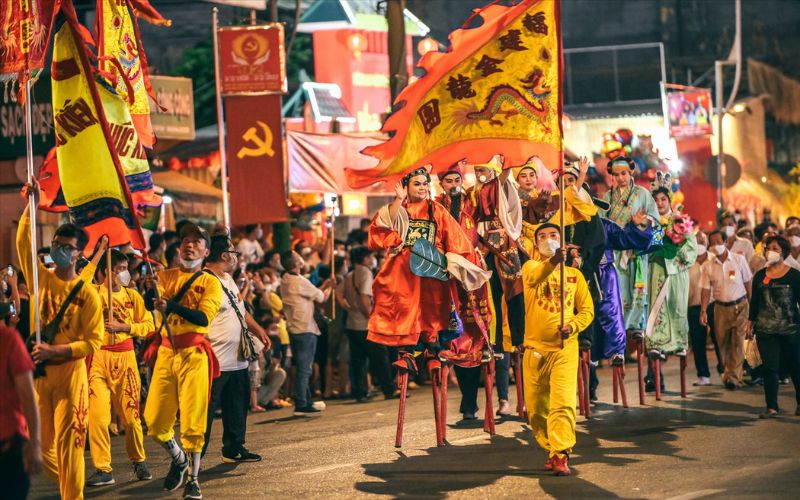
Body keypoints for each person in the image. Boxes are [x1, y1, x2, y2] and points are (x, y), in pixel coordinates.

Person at [17, 186, 104, 500]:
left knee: (70, 447)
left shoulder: (88, 295)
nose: (58, 249)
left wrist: (57, 350)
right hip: (40, 376)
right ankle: (71, 483)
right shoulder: (41, 278)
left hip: (71, 377)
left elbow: (93, 342)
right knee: (38, 441)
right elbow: (23, 242)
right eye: (55, 244)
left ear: (79, 252)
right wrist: (32, 204)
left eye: (66, 246)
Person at [142, 223, 223, 499]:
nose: (189, 245)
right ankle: (178, 459)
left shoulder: (210, 282)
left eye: (196, 242)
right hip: (166, 353)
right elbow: (146, 308)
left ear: (206, 251)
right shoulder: (163, 277)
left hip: (194, 355)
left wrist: (171, 306)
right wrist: (147, 290)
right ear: (178, 248)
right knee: (154, 421)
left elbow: (203, 319)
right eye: (185, 241)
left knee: (193, 419)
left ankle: (193, 479)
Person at [521, 223, 594, 476]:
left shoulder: (575, 276)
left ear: (562, 241)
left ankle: (561, 453)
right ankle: (550, 447)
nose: (547, 239)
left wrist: (573, 326)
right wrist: (553, 261)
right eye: (542, 236)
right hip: (534, 350)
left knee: (562, 403)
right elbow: (535, 276)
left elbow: (587, 311)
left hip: (564, 348)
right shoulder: (530, 267)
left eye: (553, 235)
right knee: (537, 411)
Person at [86, 250, 155, 486]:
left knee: (132, 417)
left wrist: (125, 326)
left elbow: (148, 324)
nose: (125, 273)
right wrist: (97, 255)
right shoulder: (93, 293)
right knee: (98, 419)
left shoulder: (132, 297)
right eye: (119, 269)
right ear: (106, 271)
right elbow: (78, 284)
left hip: (126, 360)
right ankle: (103, 468)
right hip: (97, 359)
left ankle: (139, 460)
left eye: (126, 268)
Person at [202, 235, 269, 462]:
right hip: (215, 358)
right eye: (234, 252)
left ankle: (234, 447)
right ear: (224, 255)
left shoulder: (228, 279)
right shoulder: (203, 280)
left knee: (237, 405)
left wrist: (258, 330)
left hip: (237, 357)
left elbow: (240, 309)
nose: (235, 257)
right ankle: (195, 456)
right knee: (206, 411)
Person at [435, 163, 493, 421]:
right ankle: (467, 400)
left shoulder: (472, 203)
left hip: (472, 278)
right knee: (453, 338)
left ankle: (471, 400)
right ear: (441, 184)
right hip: (445, 278)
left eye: (456, 179)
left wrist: (492, 175)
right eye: (448, 180)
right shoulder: (434, 207)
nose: (453, 183)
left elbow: (493, 198)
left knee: (474, 333)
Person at [601, 156, 660, 338]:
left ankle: (636, 325)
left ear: (631, 172)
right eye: (616, 175)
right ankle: (618, 326)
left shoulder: (642, 194)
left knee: (636, 288)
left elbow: (655, 220)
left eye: (624, 173)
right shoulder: (607, 196)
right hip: (615, 252)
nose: (620, 178)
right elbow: (601, 222)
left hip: (634, 251)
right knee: (616, 289)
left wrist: (640, 223)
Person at [748, 236, 800, 418]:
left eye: (775, 248)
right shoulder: (760, 276)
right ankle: (772, 407)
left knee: (795, 366)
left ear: (783, 252)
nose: (770, 251)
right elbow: (754, 303)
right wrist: (750, 323)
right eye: (767, 247)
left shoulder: (794, 276)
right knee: (770, 368)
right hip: (765, 330)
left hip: (790, 330)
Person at [646, 186, 697, 358]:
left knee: (677, 305)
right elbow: (651, 248)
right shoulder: (650, 222)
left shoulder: (680, 220)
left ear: (669, 201)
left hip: (676, 271)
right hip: (657, 270)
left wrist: (673, 257)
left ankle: (680, 343)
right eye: (656, 200)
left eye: (663, 199)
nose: (659, 203)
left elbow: (691, 248)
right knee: (658, 306)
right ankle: (657, 343)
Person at [280, 250, 332, 416]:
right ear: (297, 263)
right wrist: (330, 285)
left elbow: (313, 292)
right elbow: (321, 297)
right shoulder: (299, 281)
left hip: (296, 328)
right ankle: (302, 403)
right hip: (304, 328)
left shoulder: (286, 280)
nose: (302, 259)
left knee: (303, 367)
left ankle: (305, 399)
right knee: (305, 368)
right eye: (299, 257)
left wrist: (325, 286)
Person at [341, 246, 396, 402]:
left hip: (352, 324)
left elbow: (339, 294)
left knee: (358, 360)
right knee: (380, 357)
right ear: (365, 259)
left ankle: (360, 392)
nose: (373, 260)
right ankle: (389, 389)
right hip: (366, 325)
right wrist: (370, 315)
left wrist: (349, 308)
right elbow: (365, 299)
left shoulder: (350, 274)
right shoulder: (365, 273)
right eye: (371, 257)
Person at [700, 229, 753, 390]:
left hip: (740, 306)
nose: (716, 246)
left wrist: (753, 307)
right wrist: (703, 310)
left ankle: (733, 377)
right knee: (722, 343)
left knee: (737, 343)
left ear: (725, 242)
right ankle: (728, 373)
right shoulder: (708, 266)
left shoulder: (739, 260)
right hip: (720, 309)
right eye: (712, 243)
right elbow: (705, 289)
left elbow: (748, 283)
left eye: (718, 242)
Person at [0, 323, 43, 499]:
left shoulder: (7, 339)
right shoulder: (8, 338)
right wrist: (35, 444)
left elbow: (28, 398)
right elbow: (27, 396)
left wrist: (35, 444)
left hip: (8, 447)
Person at [688, 232, 722, 386]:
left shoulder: (714, 260)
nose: (699, 243)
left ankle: (724, 370)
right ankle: (703, 374)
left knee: (719, 339)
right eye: (696, 240)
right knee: (698, 342)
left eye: (702, 240)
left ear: (707, 243)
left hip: (714, 305)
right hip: (694, 306)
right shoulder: (687, 261)